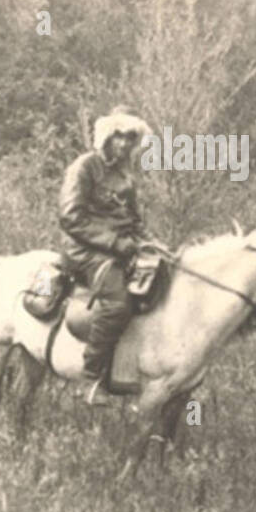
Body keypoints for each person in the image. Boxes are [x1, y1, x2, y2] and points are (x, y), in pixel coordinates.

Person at [58, 106, 155, 400]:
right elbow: (70, 218)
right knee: (117, 304)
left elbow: (135, 220)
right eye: (119, 137)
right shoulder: (84, 167)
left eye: (130, 138)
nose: (124, 144)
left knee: (163, 283)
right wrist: (114, 243)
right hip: (85, 251)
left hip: (122, 248)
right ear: (106, 137)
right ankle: (89, 378)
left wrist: (151, 243)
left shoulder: (126, 174)